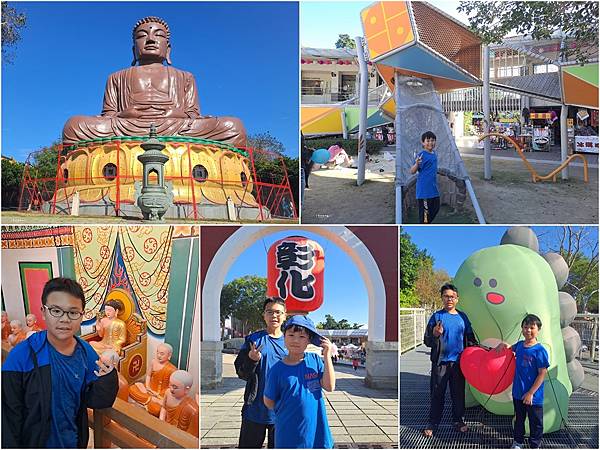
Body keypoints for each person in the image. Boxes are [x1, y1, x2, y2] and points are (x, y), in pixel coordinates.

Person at [62, 16, 246, 147]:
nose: (150, 39)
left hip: (175, 126)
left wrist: (178, 114)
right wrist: (123, 115)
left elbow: (193, 114)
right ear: (134, 50)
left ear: (168, 48)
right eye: (142, 36)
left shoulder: (184, 76)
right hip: (126, 127)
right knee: (74, 125)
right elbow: (108, 115)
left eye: (158, 35)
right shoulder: (116, 77)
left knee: (232, 127)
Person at [2, 277, 118, 448]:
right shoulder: (21, 356)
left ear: (81, 316)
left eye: (73, 312)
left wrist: (108, 378)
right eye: (56, 311)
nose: (64, 319)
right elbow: (8, 418)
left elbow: (97, 400)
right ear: (43, 311)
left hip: (73, 441)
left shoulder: (86, 352)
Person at [264, 315, 335, 448]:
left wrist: (327, 356)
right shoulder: (276, 370)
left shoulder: (314, 360)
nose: (296, 340)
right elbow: (268, 401)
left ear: (309, 340)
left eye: (302, 337)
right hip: (288, 431)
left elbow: (329, 386)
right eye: (291, 335)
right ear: (284, 338)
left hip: (316, 430)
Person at [423, 283, 477, 437]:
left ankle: (458, 420)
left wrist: (479, 352)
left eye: (452, 296)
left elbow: (471, 338)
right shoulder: (436, 317)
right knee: (437, 393)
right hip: (440, 363)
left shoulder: (463, 317)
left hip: (459, 363)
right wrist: (435, 334)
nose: (449, 299)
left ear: (457, 299)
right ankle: (433, 422)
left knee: (458, 394)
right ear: (441, 298)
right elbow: (427, 341)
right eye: (446, 296)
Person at [234, 297, 288, 448]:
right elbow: (241, 373)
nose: (274, 316)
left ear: (285, 315)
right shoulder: (253, 340)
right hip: (254, 409)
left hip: (282, 411)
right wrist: (251, 360)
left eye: (278, 312)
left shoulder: (291, 342)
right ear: (264, 315)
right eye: (269, 312)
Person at [495, 314, 549, 449]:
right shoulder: (519, 345)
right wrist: (503, 345)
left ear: (538, 329)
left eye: (532, 327)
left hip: (534, 397)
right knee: (519, 419)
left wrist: (531, 393)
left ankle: (534, 445)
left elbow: (542, 373)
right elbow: (509, 348)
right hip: (518, 393)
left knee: (535, 422)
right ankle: (518, 442)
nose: (528, 330)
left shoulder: (540, 351)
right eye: (525, 327)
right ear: (522, 329)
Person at [129, 342, 177, 416]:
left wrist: (157, 394)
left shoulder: (172, 370)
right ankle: (150, 400)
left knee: (157, 409)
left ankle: (150, 401)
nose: (158, 355)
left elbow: (169, 388)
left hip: (159, 394)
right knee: (132, 388)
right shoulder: (153, 362)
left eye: (162, 354)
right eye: (157, 352)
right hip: (148, 389)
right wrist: (147, 386)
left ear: (169, 355)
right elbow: (148, 375)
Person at [410, 131, 440, 224]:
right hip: (424, 192)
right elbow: (412, 171)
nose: (431, 143)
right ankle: (423, 229)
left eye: (433, 140)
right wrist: (417, 164)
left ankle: (426, 226)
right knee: (425, 218)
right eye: (428, 141)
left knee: (436, 208)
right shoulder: (421, 155)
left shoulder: (434, 153)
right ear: (423, 142)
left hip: (433, 190)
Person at [159, 370, 199, 437]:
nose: (171, 389)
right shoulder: (167, 393)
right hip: (165, 427)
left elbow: (192, 436)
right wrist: (161, 422)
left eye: (175, 387)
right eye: (170, 385)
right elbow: (163, 408)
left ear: (187, 390)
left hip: (179, 436)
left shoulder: (192, 409)